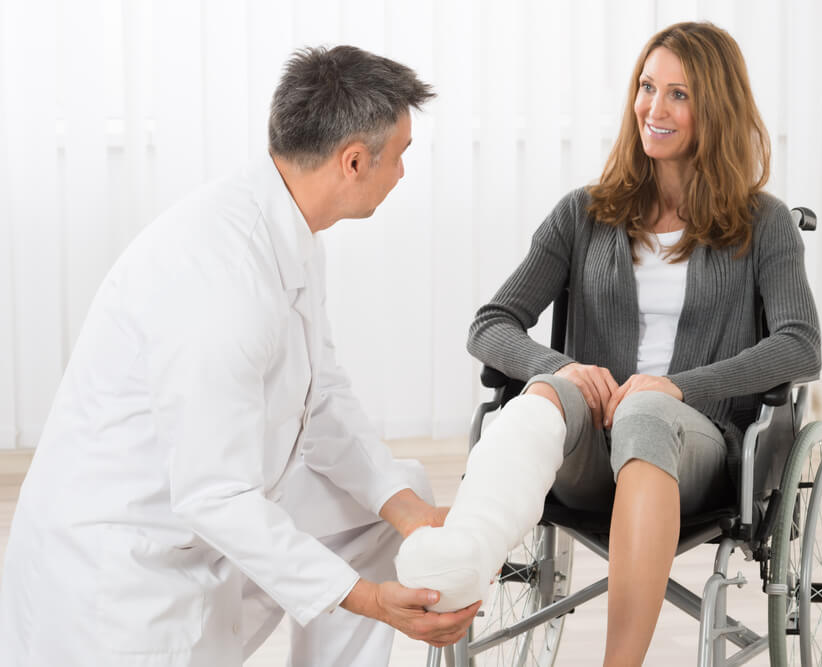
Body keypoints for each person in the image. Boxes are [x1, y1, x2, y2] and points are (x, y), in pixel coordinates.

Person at [0, 45, 479, 667]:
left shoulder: (290, 231)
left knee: (395, 492)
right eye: (401, 155)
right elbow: (215, 495)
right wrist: (368, 599)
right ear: (354, 161)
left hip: (203, 502)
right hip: (121, 571)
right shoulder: (223, 282)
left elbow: (321, 396)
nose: (404, 173)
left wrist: (412, 514)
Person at [466, 22, 820, 666]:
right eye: (647, 87)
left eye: (679, 94)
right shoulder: (583, 214)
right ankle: (453, 568)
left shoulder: (764, 223)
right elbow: (491, 323)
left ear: (717, 107)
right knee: (545, 395)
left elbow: (800, 346)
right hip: (587, 455)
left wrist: (678, 387)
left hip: (694, 452)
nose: (654, 108)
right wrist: (564, 369)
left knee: (647, 410)